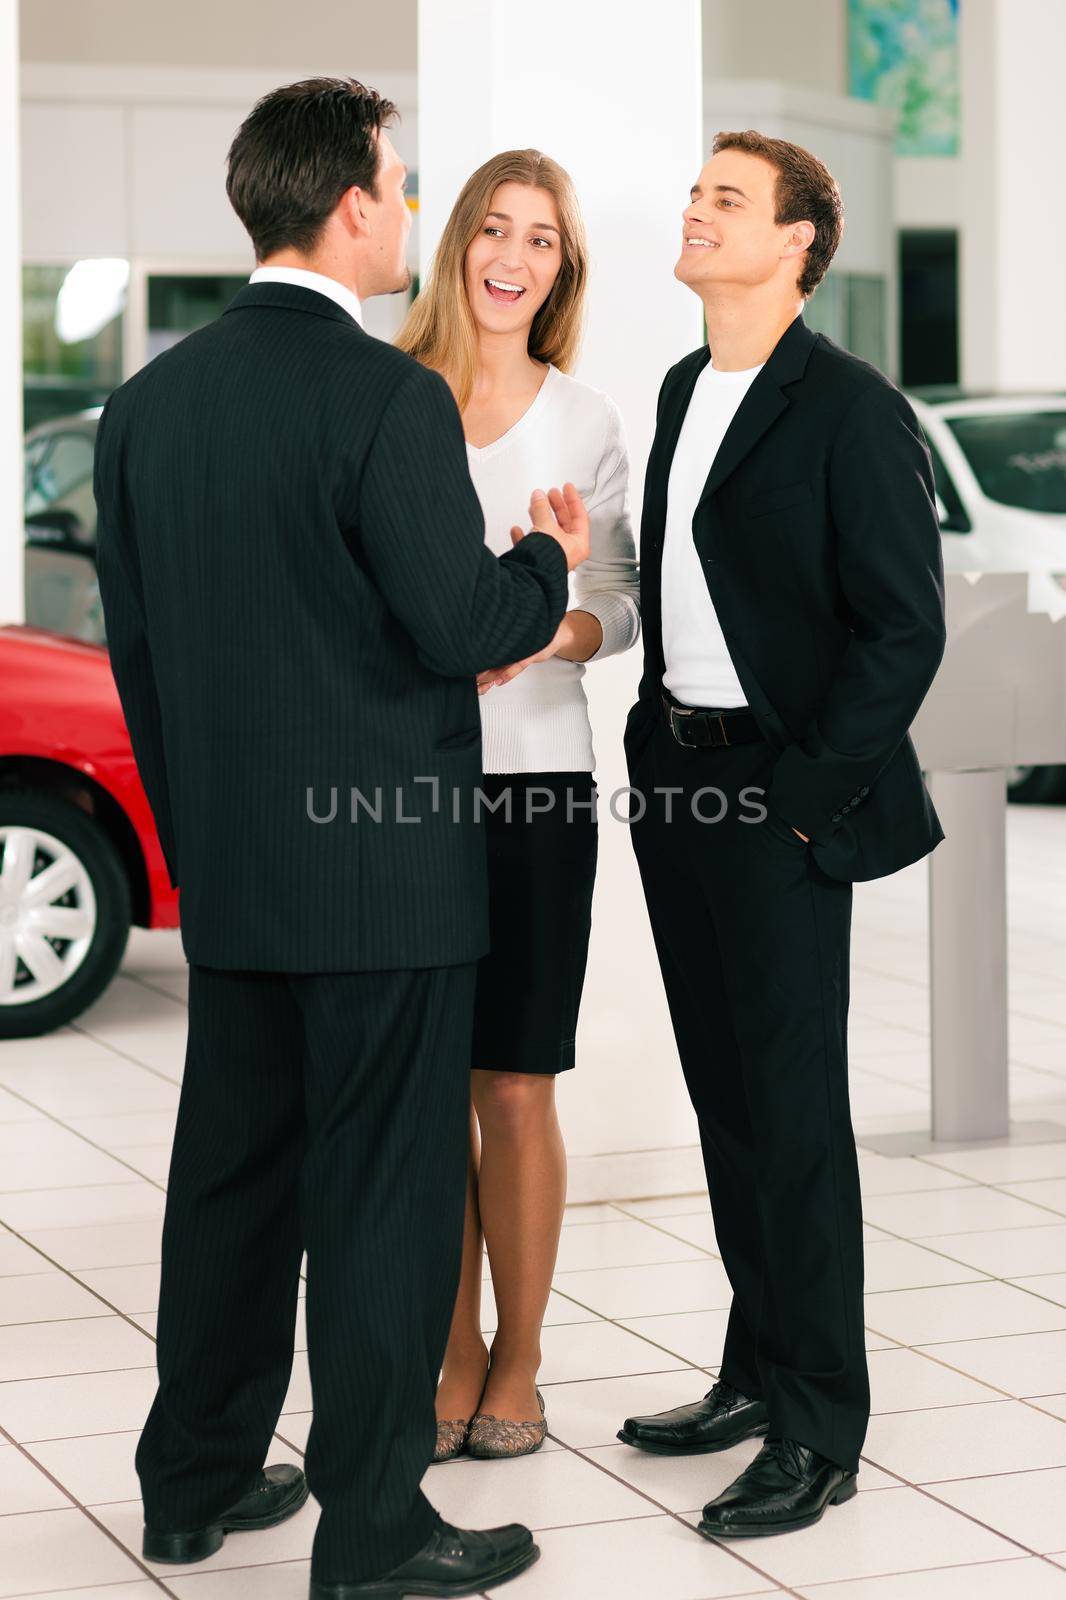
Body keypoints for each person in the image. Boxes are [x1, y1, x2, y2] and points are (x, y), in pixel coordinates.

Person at [94, 77, 592, 1600]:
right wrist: (541, 555)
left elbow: (141, 661)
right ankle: (374, 1534)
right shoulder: (389, 395)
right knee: (377, 1205)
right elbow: (456, 626)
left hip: (239, 874)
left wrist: (198, 850)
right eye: (402, 181)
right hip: (384, 880)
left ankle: (192, 1483)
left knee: (231, 1185)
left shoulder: (148, 403)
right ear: (355, 205)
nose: (408, 208)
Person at [616, 130, 946, 1539]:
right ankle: (754, 1367)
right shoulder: (686, 383)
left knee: (795, 1122)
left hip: (774, 794)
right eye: (695, 192)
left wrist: (799, 798)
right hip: (675, 780)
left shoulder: (849, 407)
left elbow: (900, 628)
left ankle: (819, 1423)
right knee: (728, 1102)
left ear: (798, 243)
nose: (694, 212)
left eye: (726, 200)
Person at [397, 151, 639, 1462]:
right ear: (456, 247)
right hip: (398, 784)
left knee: (515, 1088)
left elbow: (618, 605)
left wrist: (544, 635)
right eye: (492, 229)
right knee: (426, 1087)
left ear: (561, 269)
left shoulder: (585, 420)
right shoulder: (387, 398)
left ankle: (520, 1359)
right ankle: (447, 1352)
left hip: (536, 784)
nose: (510, 256)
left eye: (538, 240)